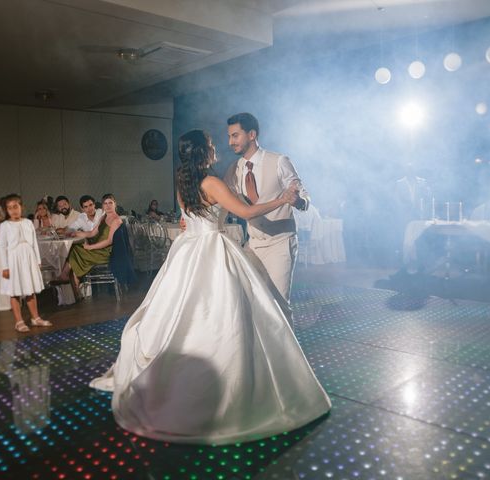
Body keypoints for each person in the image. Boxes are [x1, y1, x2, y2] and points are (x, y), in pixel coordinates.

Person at [90, 130, 331, 444]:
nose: (217, 146)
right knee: (222, 312)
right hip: (213, 248)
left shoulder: (183, 183)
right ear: (203, 151)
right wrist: (282, 199)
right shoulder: (212, 183)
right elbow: (244, 213)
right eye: (212, 144)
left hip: (188, 250)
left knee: (180, 309)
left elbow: (186, 219)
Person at [224, 113, 309, 325]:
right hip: (252, 245)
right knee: (252, 303)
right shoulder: (234, 170)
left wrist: (297, 200)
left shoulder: (279, 161)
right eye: (229, 137)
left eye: (235, 136)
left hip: (280, 243)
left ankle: (287, 357)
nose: (230, 142)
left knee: (279, 305)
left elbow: (305, 196)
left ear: (251, 134)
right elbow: (221, 201)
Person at [0, 194, 51, 333]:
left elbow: (34, 242)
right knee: (14, 291)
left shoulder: (28, 223)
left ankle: (35, 317)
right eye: (9, 208)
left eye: (15, 207)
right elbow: (2, 247)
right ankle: (19, 321)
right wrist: (5, 267)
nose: (13, 210)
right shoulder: (5, 226)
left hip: (28, 257)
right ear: (6, 210)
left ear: (21, 207)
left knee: (30, 289)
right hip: (13, 260)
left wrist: (38, 261)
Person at [54, 194, 123, 293]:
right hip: (99, 248)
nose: (108, 206)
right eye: (105, 203)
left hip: (107, 252)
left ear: (115, 204)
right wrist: (75, 233)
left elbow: (109, 241)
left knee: (75, 250)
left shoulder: (116, 220)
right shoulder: (104, 217)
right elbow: (91, 233)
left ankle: (65, 276)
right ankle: (74, 289)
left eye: (110, 203)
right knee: (75, 249)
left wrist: (90, 247)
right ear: (103, 205)